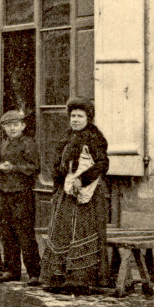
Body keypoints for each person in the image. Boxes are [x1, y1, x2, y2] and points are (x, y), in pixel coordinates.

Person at [40, 98, 110, 294]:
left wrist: (82, 180)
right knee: (63, 231)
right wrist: (60, 183)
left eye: (80, 116)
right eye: (73, 116)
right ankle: (59, 276)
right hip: (66, 194)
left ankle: (79, 279)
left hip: (86, 195)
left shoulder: (95, 137)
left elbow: (103, 164)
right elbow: (59, 164)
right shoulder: (67, 136)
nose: (76, 119)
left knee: (81, 232)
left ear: (88, 118)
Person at [0, 110, 42, 284]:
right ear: (3, 128)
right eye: (7, 125)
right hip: (3, 193)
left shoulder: (28, 143)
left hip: (21, 194)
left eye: (15, 125)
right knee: (6, 233)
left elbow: (34, 167)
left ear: (23, 126)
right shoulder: (4, 144)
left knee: (25, 233)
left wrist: (13, 167)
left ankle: (34, 272)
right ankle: (11, 270)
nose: (12, 128)